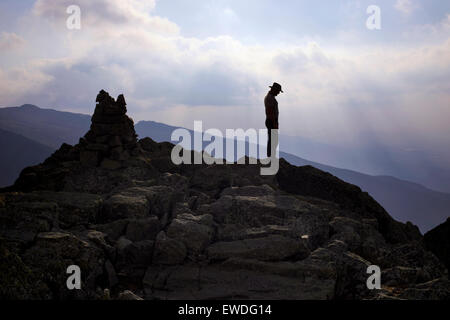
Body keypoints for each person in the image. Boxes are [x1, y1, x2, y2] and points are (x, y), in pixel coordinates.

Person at [264, 82, 283, 157]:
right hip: (271, 121)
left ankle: (271, 156)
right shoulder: (270, 98)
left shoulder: (270, 97)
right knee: (273, 140)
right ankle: (271, 157)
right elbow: (270, 112)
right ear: (274, 90)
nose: (278, 93)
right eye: (278, 91)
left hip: (271, 121)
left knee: (272, 140)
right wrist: (275, 123)